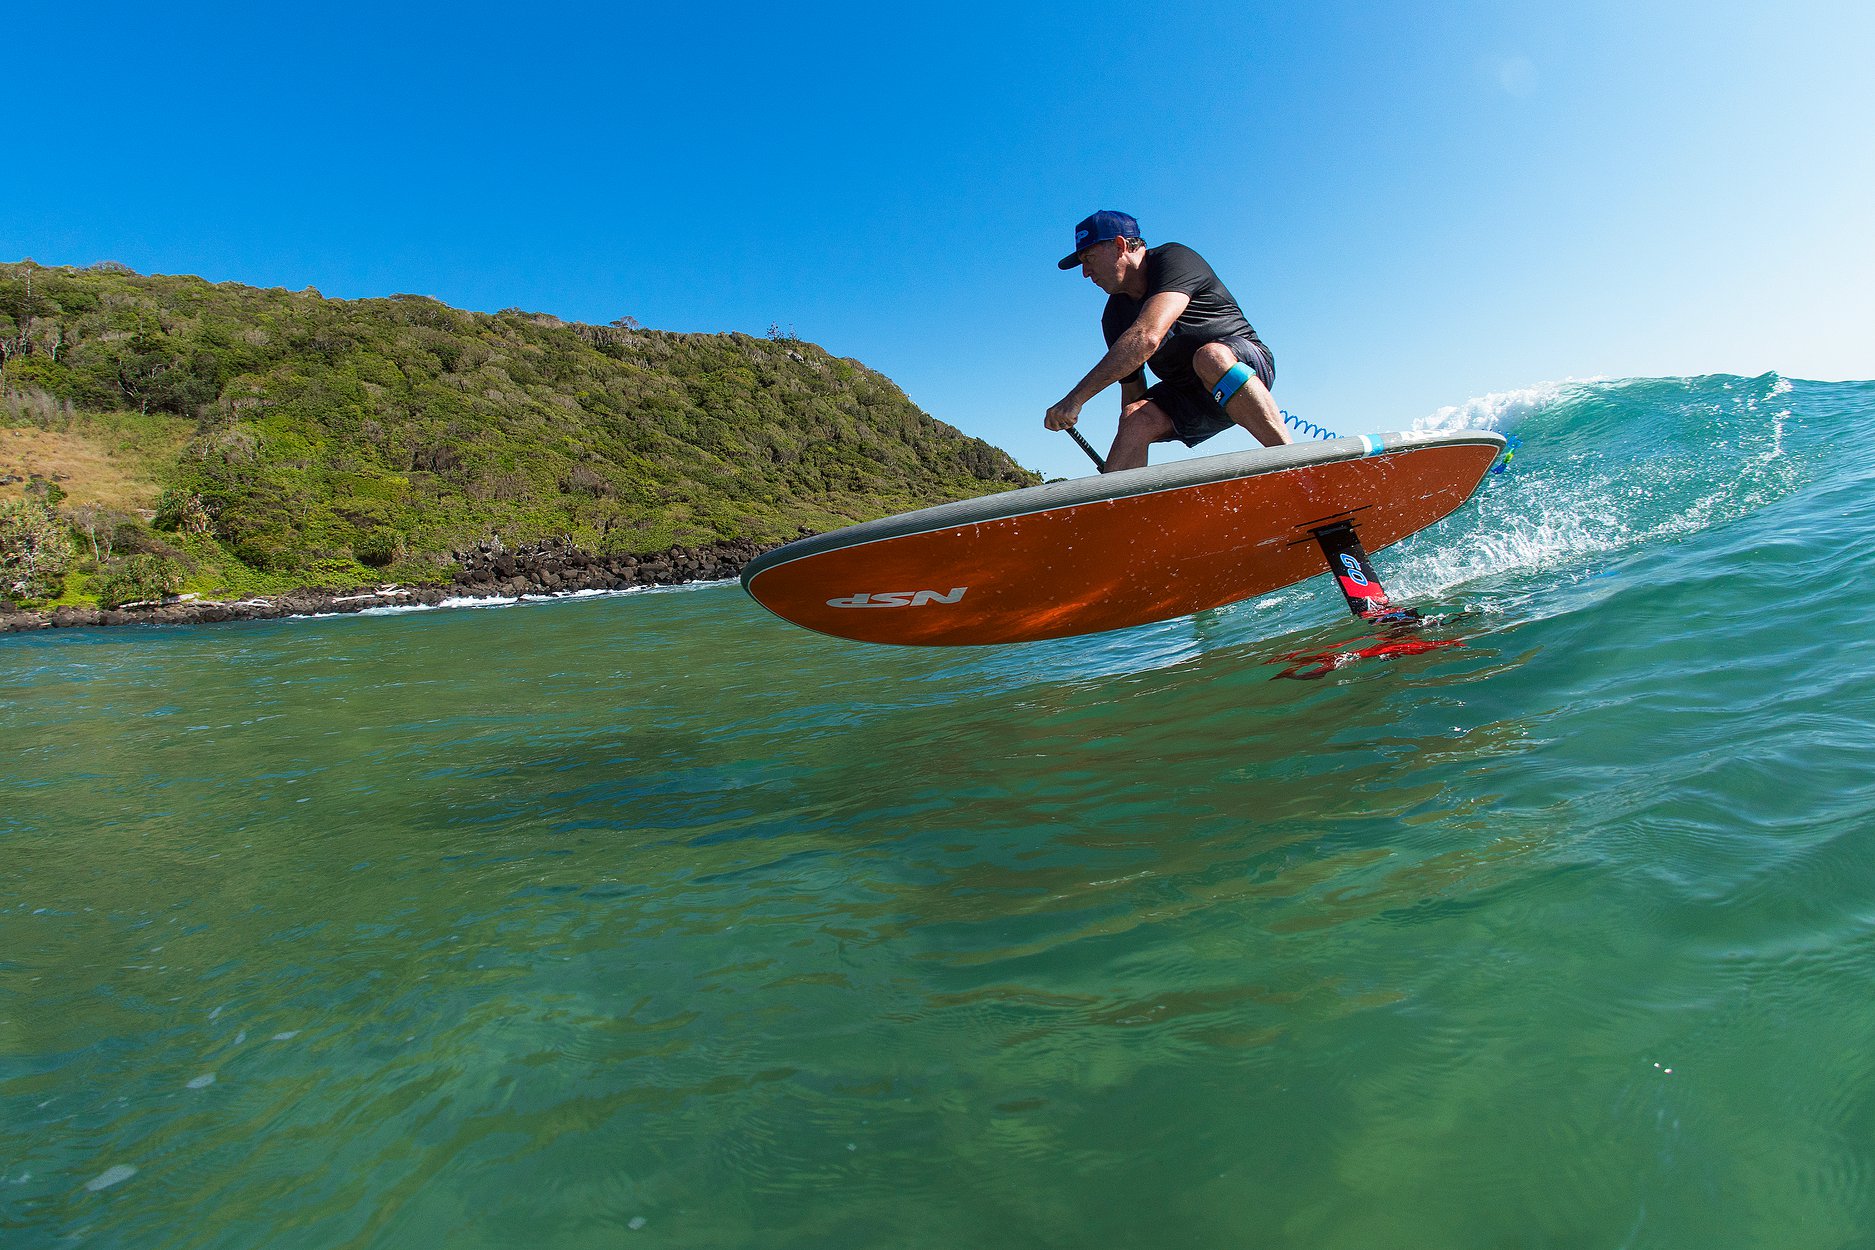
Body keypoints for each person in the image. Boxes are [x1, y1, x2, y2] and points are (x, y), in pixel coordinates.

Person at [1045, 210, 1289, 472]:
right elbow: (1132, 390)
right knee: (1134, 417)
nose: (1085, 272)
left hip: (1244, 369)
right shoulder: (1113, 317)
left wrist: (1075, 399)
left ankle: (1294, 465)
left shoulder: (1173, 259)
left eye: (1089, 258)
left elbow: (1147, 337)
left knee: (1209, 358)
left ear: (1120, 245)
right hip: (1190, 398)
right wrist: (1124, 451)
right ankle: (1120, 507)